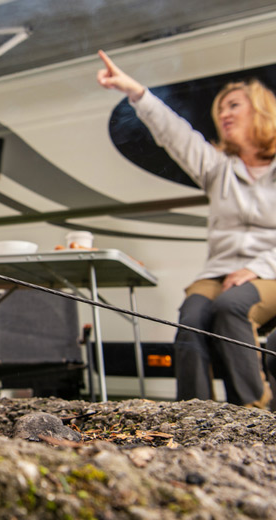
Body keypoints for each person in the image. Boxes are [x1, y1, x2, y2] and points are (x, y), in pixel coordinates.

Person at [97, 50, 276, 407]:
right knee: (192, 317)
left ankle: (257, 412)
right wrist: (136, 92)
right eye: (220, 108)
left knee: (230, 307)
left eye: (234, 106)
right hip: (219, 272)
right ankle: (195, 411)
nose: (223, 114)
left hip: (270, 270)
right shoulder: (218, 167)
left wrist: (255, 269)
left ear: (260, 110)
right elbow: (176, 134)